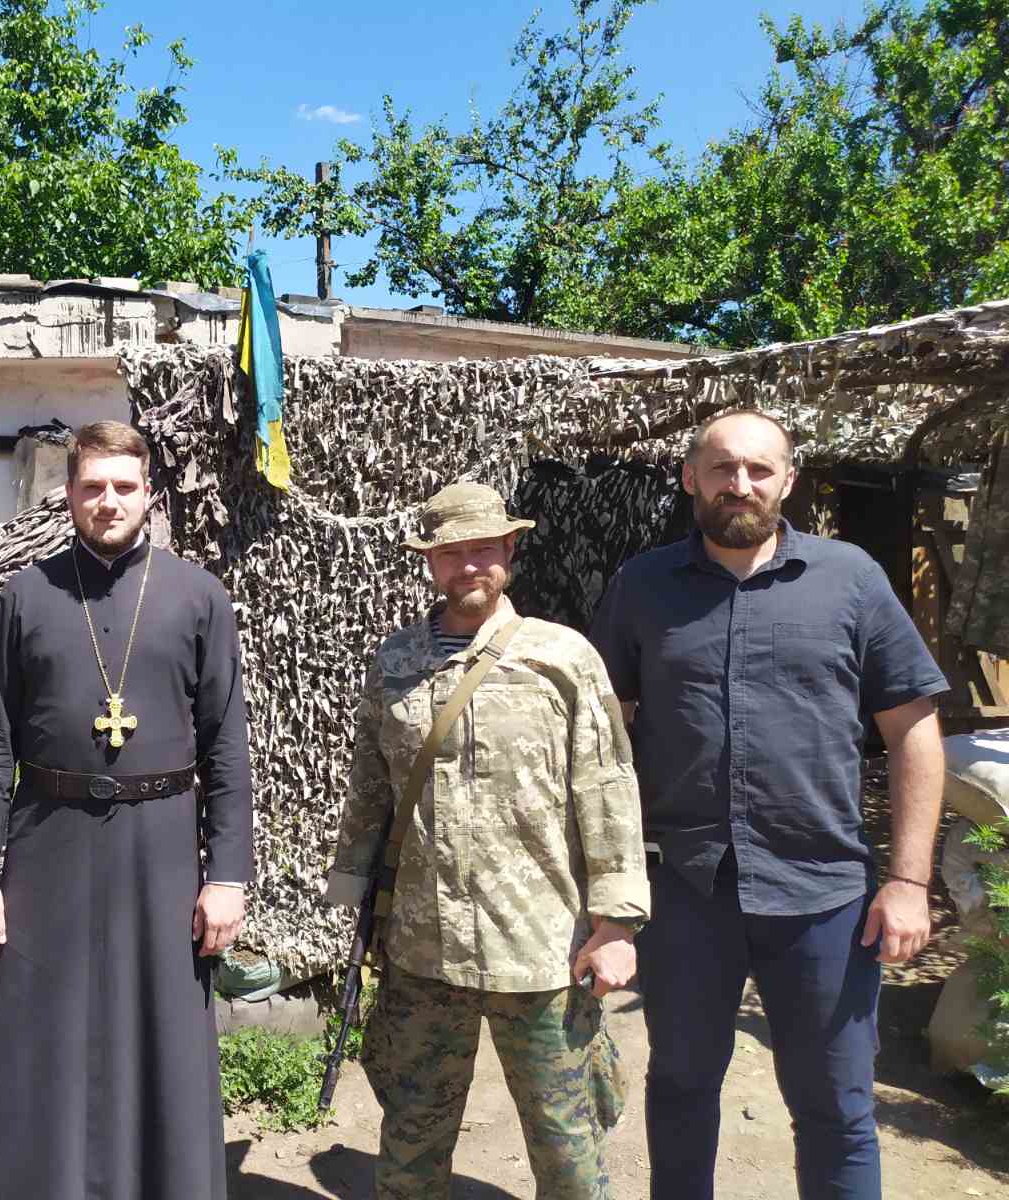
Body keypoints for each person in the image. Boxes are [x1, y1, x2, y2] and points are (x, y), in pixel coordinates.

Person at [589, 409, 948, 1200]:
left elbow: (915, 731)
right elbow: (601, 741)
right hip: (685, 891)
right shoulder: (643, 586)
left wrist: (908, 880)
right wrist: (609, 892)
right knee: (681, 1088)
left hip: (825, 895)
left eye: (759, 469)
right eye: (722, 468)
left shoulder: (851, 579)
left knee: (835, 1107)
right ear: (691, 477)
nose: (740, 484)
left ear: (788, 479)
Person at [0, 419, 254, 1200]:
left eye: (124, 487)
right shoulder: (26, 597)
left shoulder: (198, 596)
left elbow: (226, 747)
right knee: (40, 1036)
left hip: (161, 850)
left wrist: (227, 875)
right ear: (69, 496)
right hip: (46, 844)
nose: (108, 501)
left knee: (162, 1034)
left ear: (149, 494)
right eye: (93, 487)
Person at [326, 480, 650, 1200]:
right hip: (422, 949)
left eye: (483, 549)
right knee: (410, 1141)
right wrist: (352, 897)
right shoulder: (396, 662)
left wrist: (618, 923)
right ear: (429, 562)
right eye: (450, 552)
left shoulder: (562, 657)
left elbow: (608, 788)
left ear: (509, 550)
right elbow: (370, 787)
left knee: (568, 1148)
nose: (468, 565)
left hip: (541, 948)